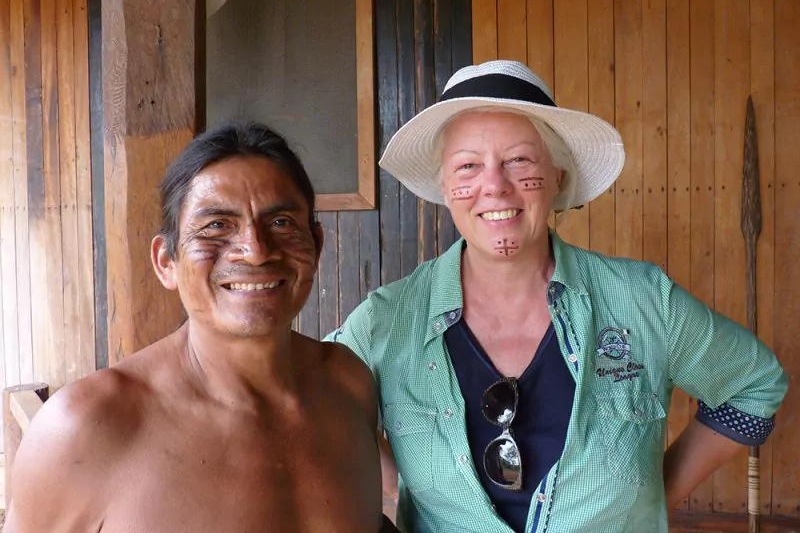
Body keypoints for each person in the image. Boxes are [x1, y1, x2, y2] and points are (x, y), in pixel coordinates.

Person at [325, 60, 789, 533]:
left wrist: (652, 498)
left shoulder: (644, 301)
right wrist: (391, 488)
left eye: (519, 161)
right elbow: (313, 400)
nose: (494, 185)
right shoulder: (387, 319)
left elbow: (753, 383)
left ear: (558, 178)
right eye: (468, 165)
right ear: (446, 187)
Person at [4, 122, 397, 533]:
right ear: (165, 262)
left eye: (281, 222)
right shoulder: (87, 426)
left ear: (315, 244)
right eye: (216, 226)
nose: (256, 251)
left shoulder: (347, 384)